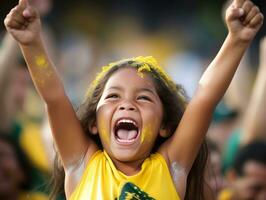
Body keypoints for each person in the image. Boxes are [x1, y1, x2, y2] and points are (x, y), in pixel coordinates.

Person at [4, 0, 263, 199]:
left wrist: (237, 40)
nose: (127, 104)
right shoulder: (82, 164)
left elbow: (205, 98)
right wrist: (31, 44)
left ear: (165, 126)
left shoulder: (171, 168)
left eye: (143, 98)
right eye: (113, 96)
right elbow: (54, 97)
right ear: (94, 123)